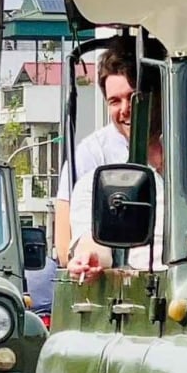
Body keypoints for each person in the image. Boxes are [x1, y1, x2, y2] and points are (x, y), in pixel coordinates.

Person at [55, 38, 164, 263]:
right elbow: (65, 246)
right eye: (115, 101)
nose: (125, 110)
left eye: (134, 98)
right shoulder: (92, 155)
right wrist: (88, 258)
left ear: (159, 94)